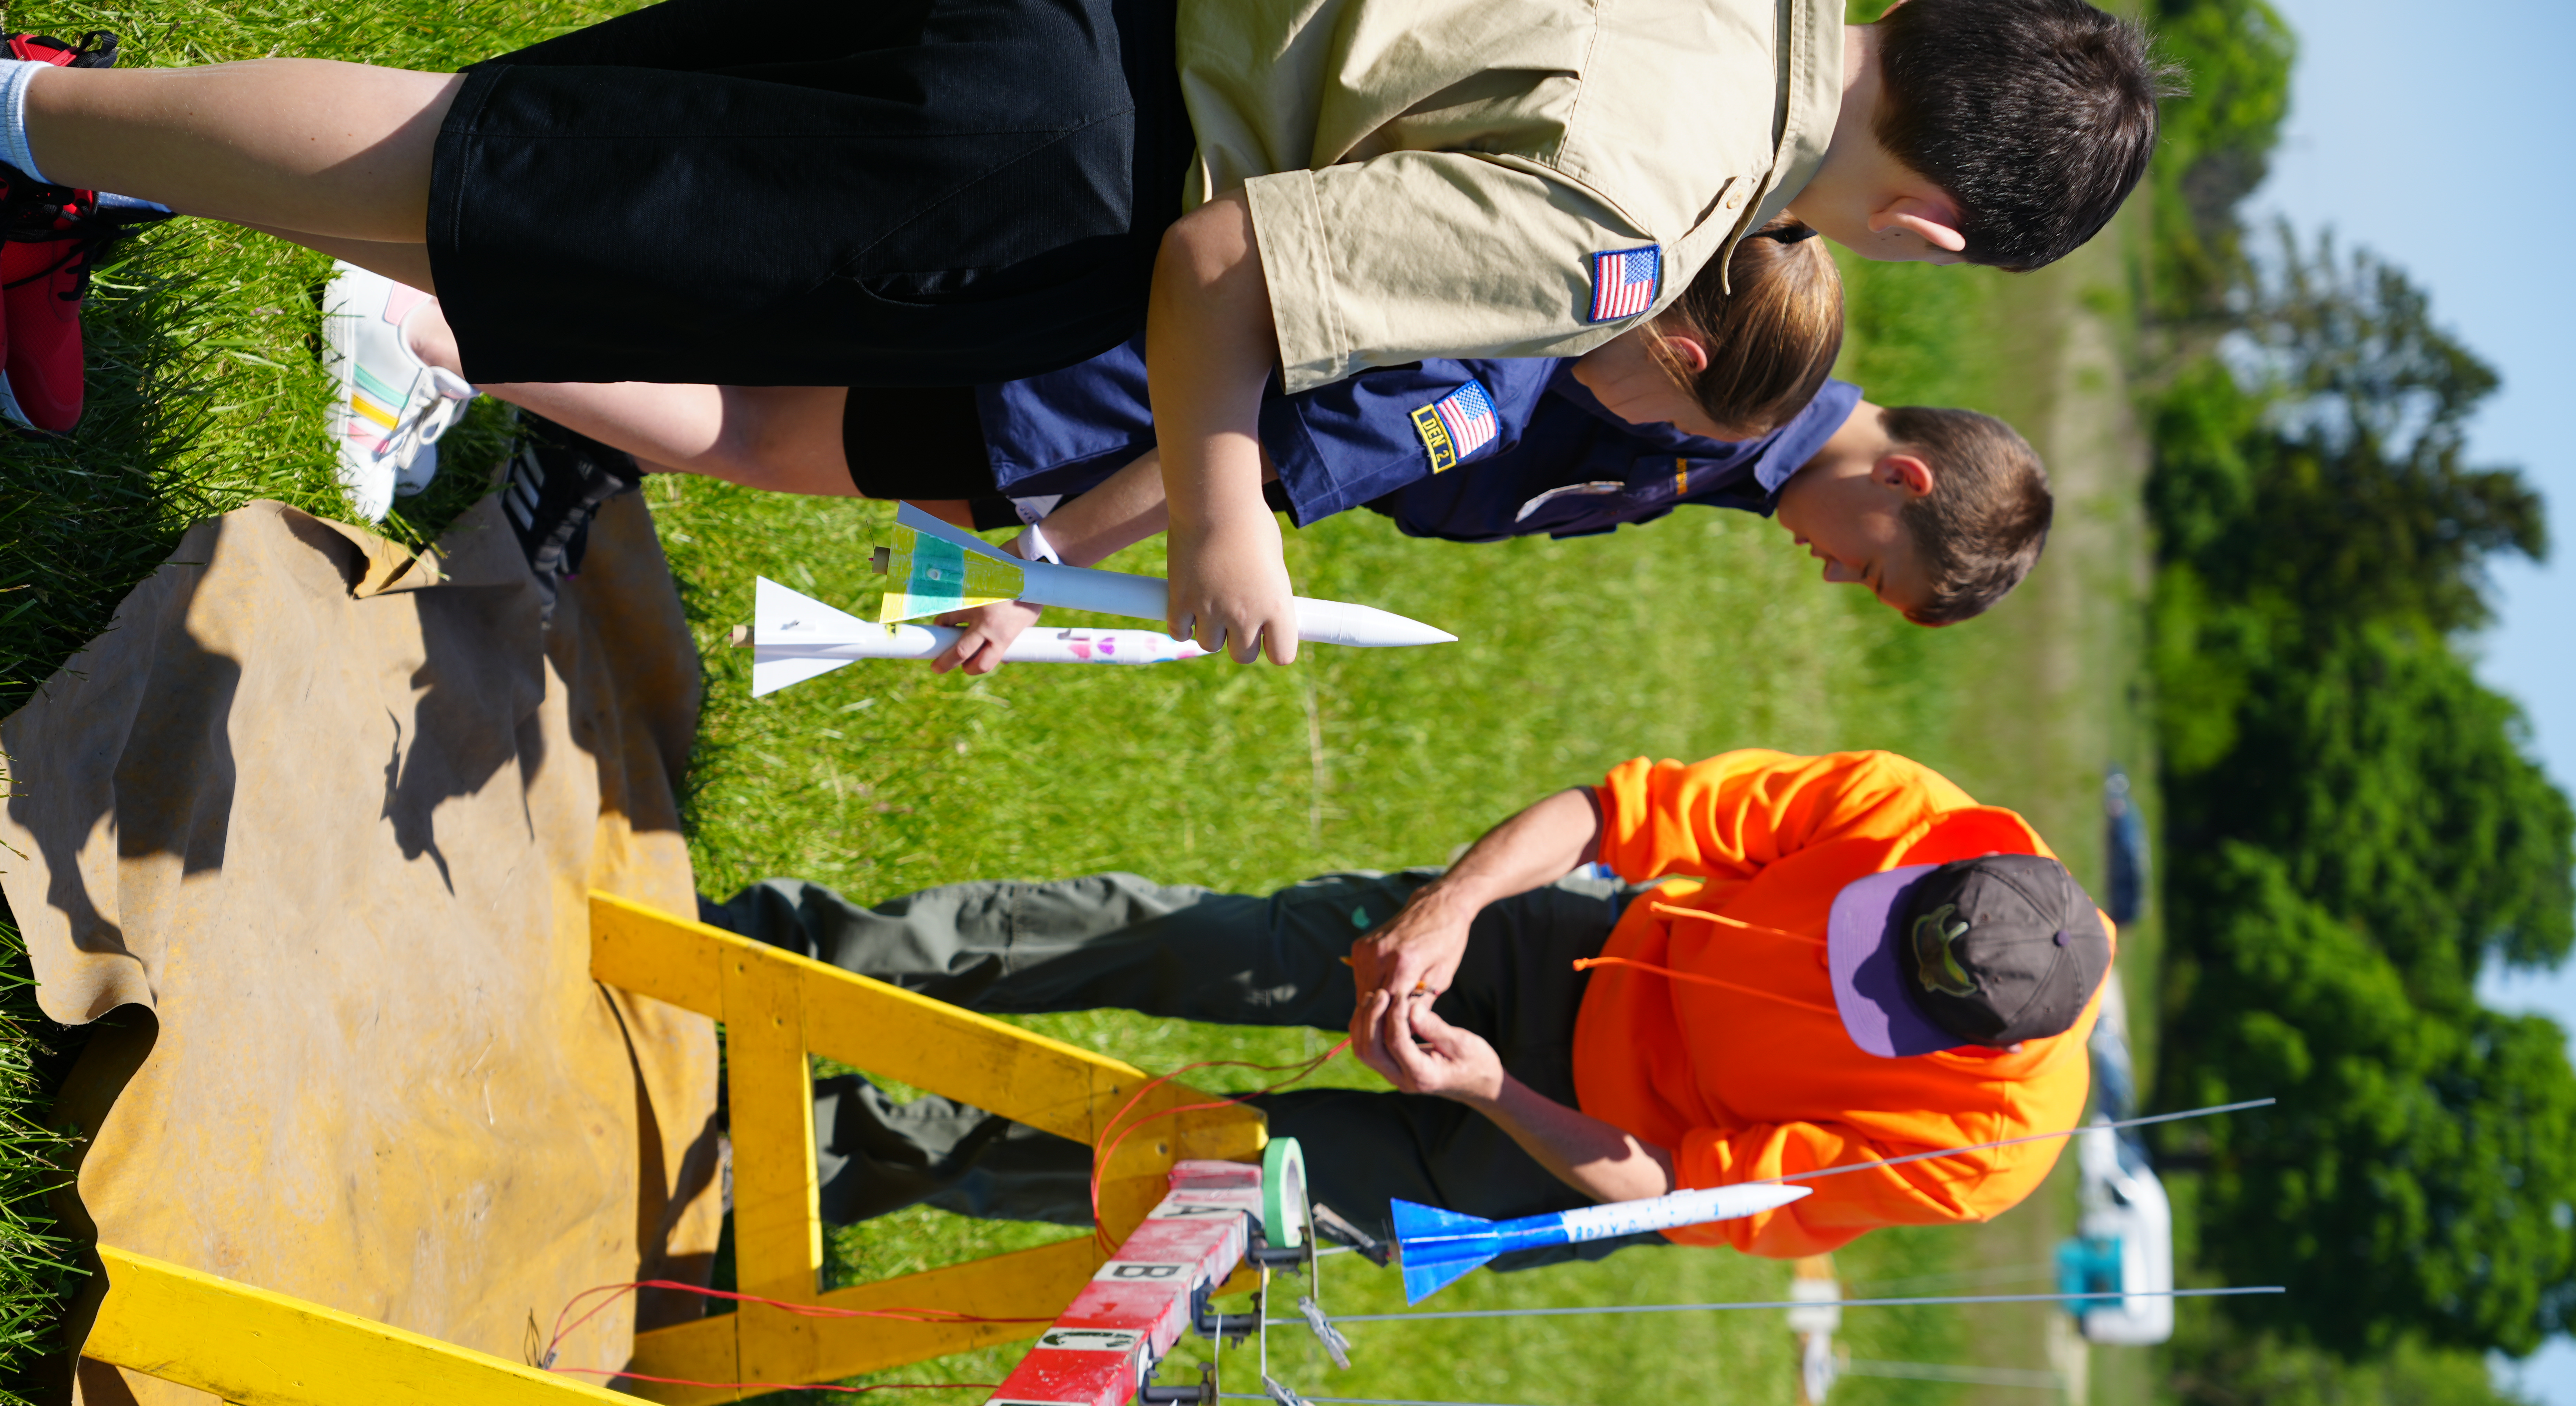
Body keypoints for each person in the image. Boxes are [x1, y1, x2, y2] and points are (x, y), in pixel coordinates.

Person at [0, 0, 2169, 655]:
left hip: (1081, 30)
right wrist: (1220, 520)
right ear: (1938, 230)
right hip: (1055, 154)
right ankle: (28, 125)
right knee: (486, 179)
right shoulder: (1637, 231)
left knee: (537, 143)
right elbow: (1230, 270)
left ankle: (66, 162)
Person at [702, 748, 2115, 1266]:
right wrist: (1452, 909)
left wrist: (1489, 1090)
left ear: (1979, 1049)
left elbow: (1682, 1189)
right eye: (1873, 945)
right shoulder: (1907, 811)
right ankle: (797, 958)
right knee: (1197, 945)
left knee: (1189, 1183)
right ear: (1947, 871)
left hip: (1552, 1157)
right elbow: (1616, 812)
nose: (1838, 981)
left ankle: (818, 1158)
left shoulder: (1980, 1155)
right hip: (1571, 948)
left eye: (1877, 1008)